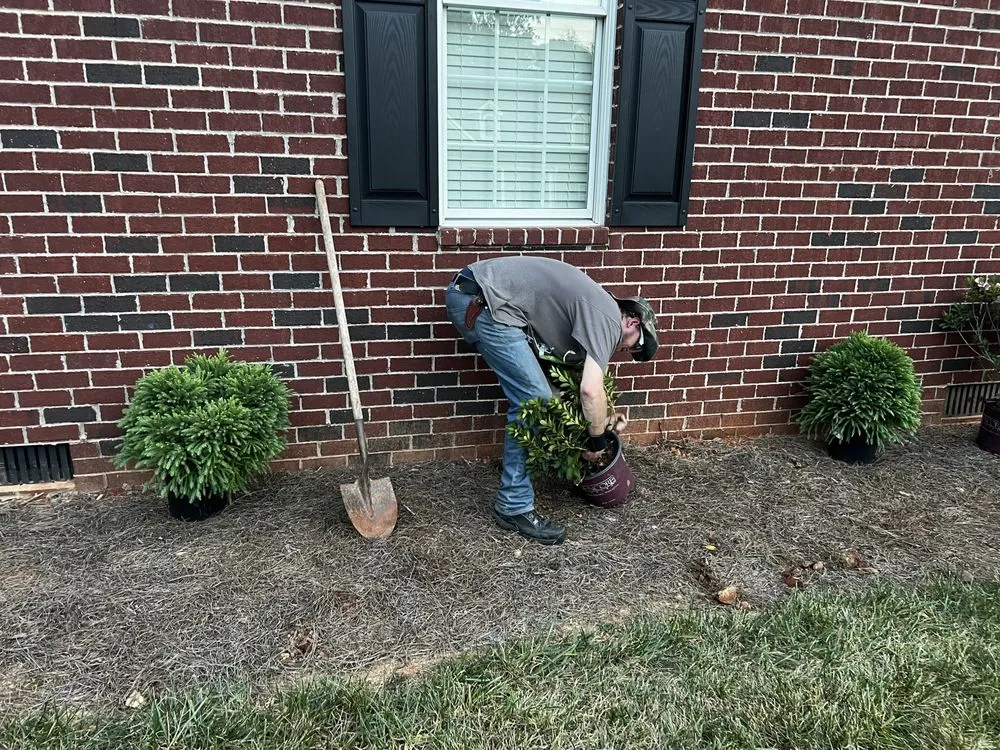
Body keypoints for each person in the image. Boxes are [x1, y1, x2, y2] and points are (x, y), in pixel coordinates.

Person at [444, 256, 658, 545]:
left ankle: (515, 476)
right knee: (534, 400)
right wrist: (596, 442)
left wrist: (593, 428)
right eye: (636, 346)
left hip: (482, 297)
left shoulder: (592, 310)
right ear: (632, 321)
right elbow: (590, 391)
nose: (626, 351)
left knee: (544, 395)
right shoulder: (607, 317)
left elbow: (567, 390)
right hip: (481, 300)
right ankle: (513, 506)